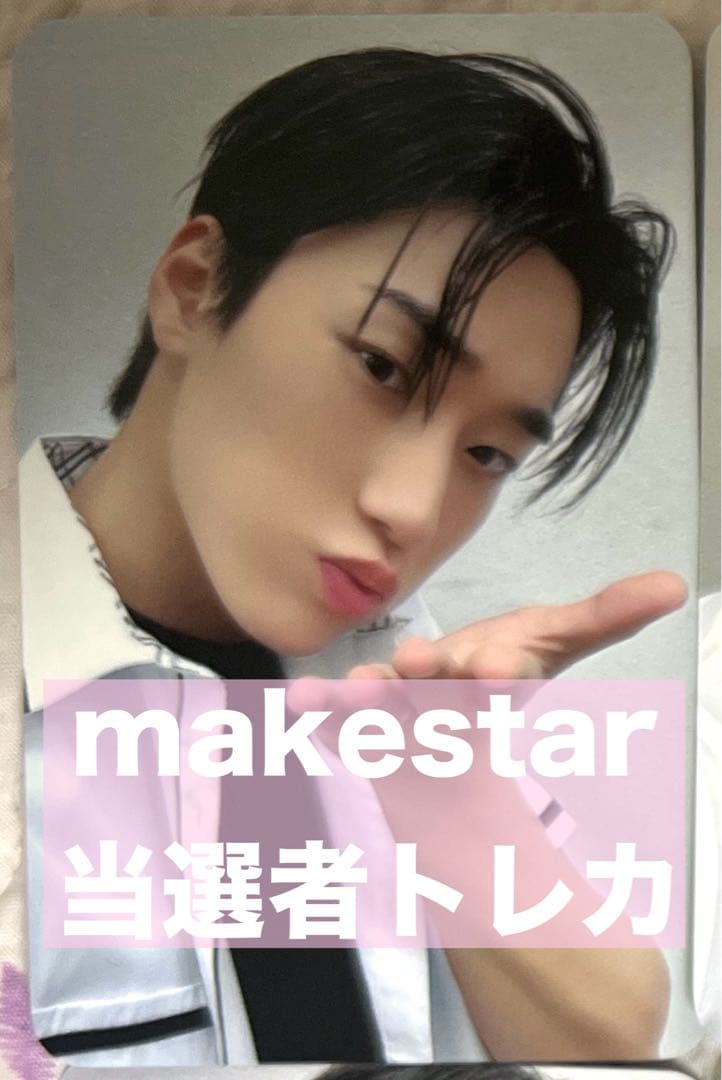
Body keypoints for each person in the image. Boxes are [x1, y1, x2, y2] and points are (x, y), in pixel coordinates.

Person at [20, 47, 686, 1068]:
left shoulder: (409, 677)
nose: (410, 509)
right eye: (381, 365)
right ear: (194, 289)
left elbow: (613, 1039)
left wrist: (448, 794)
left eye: (486, 454)